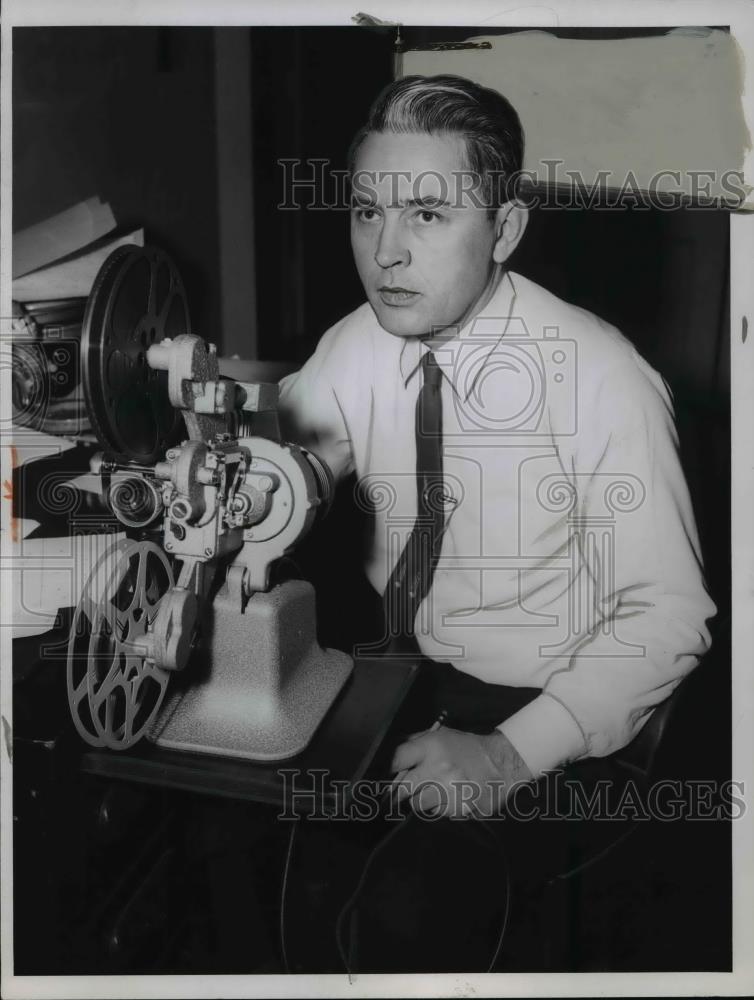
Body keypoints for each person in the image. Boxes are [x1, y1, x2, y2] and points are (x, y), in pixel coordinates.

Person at [277, 74, 717, 969]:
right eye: (367, 212)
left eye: (429, 217)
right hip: (404, 670)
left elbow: (673, 617)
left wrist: (508, 758)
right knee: (252, 833)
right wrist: (258, 483)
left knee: (408, 918)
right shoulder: (361, 338)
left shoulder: (602, 377)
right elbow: (287, 463)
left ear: (505, 230)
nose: (386, 254)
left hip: (557, 711)